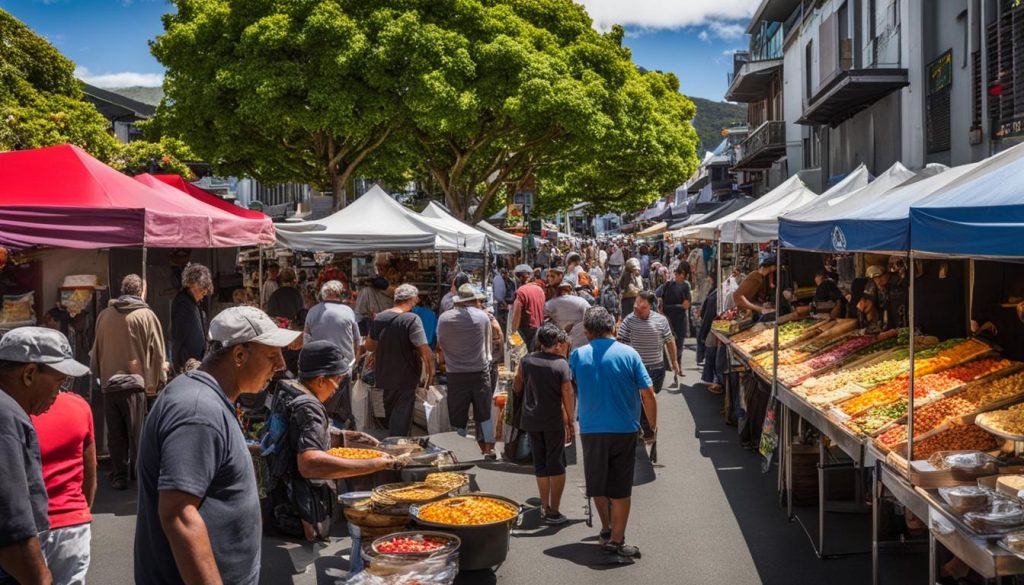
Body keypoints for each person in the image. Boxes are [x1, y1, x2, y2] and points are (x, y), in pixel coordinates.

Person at [135, 306, 300, 585]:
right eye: (272, 355)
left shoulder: (202, 397)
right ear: (239, 355)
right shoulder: (198, 411)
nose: (281, 365)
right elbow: (178, 514)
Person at [266, 342, 395, 541]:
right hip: (300, 510)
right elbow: (309, 464)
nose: (337, 388)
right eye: (337, 380)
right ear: (320, 380)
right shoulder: (310, 407)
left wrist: (347, 437)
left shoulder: (289, 389)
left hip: (280, 501)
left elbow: (297, 431)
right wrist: (373, 464)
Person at [570, 307, 656, 558]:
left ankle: (606, 528)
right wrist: (653, 428)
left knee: (598, 484)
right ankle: (617, 540)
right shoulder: (629, 354)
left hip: (591, 430)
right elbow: (648, 393)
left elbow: (570, 384)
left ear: (587, 333)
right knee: (620, 487)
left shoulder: (577, 355)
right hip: (624, 429)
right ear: (613, 327)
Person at [91, 274, 167, 490]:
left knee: (115, 433)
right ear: (141, 291)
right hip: (136, 383)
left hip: (109, 383)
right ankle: (141, 475)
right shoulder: (146, 315)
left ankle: (119, 475)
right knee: (138, 434)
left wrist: (99, 375)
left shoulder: (104, 315)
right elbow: (158, 353)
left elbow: (95, 350)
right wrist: (157, 381)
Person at [30, 387, 96, 585]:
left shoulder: (13, 409)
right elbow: (89, 470)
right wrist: (82, 509)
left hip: (26, 527)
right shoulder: (79, 405)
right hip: (73, 522)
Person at [512, 323, 574, 525]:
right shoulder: (561, 364)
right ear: (557, 344)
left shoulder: (526, 361)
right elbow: (567, 393)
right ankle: (554, 511)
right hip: (553, 419)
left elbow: (517, 385)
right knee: (555, 463)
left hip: (531, 419)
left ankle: (544, 506)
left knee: (540, 463)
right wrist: (570, 421)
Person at [437, 285, 497, 458]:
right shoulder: (482, 317)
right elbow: (488, 345)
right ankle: (488, 448)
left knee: (458, 415)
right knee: (483, 412)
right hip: (479, 371)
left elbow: (441, 344)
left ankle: (459, 449)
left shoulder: (444, 318)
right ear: (473, 300)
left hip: (455, 373)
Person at [365, 284, 434, 437]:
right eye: (415, 298)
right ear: (411, 299)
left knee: (391, 416)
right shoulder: (412, 319)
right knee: (401, 421)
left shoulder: (380, 317)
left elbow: (369, 345)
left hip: (384, 376)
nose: (416, 301)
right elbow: (425, 352)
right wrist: (430, 376)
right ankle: (396, 451)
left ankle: (392, 446)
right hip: (406, 377)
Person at [618, 291, 678, 436]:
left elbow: (669, 340)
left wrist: (675, 361)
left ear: (651, 307)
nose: (637, 308)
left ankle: (645, 426)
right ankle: (647, 429)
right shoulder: (629, 320)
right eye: (636, 305)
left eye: (642, 307)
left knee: (649, 397)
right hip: (636, 369)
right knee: (641, 398)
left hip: (656, 368)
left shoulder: (661, 321)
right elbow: (620, 341)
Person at [304, 280, 361, 427]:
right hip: (344, 367)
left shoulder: (313, 311)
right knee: (342, 410)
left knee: (319, 404)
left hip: (318, 369)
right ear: (339, 294)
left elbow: (306, 340)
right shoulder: (348, 311)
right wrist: (356, 361)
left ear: (323, 294)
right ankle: (339, 436)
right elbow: (357, 340)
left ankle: (321, 430)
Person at [171, 263, 213, 372]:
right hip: (188, 364)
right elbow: (178, 336)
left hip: (195, 362)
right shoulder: (183, 303)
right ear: (192, 285)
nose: (203, 295)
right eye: (202, 291)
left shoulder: (193, 302)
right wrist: (176, 362)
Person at [657, 265, 691, 372]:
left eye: (678, 274)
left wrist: (671, 307)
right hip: (669, 319)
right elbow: (660, 299)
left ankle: (678, 365)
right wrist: (678, 306)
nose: (676, 276)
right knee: (670, 342)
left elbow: (686, 305)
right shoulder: (668, 285)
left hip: (680, 319)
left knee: (679, 343)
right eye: (675, 274)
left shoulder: (685, 286)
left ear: (683, 275)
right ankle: (673, 364)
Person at [545, 281, 591, 351]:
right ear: (570, 289)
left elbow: (543, 315)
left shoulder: (551, 303)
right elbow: (590, 318)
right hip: (582, 342)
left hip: (563, 343)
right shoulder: (581, 301)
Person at [510, 264, 546, 352]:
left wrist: (513, 331)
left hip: (524, 329)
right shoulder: (540, 290)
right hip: (538, 327)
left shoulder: (521, 291)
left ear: (521, 277)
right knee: (534, 353)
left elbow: (517, 312)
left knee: (520, 354)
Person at [733, 254, 776, 319]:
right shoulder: (756, 276)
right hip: (744, 309)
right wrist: (760, 309)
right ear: (772, 266)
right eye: (776, 266)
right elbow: (740, 297)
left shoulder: (762, 276)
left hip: (748, 307)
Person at [867, 264, 909, 330]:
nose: (878, 280)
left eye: (880, 277)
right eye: (875, 278)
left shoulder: (898, 284)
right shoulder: (873, 286)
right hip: (885, 322)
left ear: (887, 274)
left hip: (901, 320)